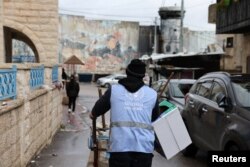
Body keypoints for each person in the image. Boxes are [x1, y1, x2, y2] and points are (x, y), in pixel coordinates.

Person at [89, 59, 159, 167]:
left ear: (127, 72)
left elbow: (96, 111)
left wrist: (92, 114)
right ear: (143, 75)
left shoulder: (114, 91)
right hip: (144, 149)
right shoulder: (152, 94)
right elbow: (155, 119)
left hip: (119, 148)